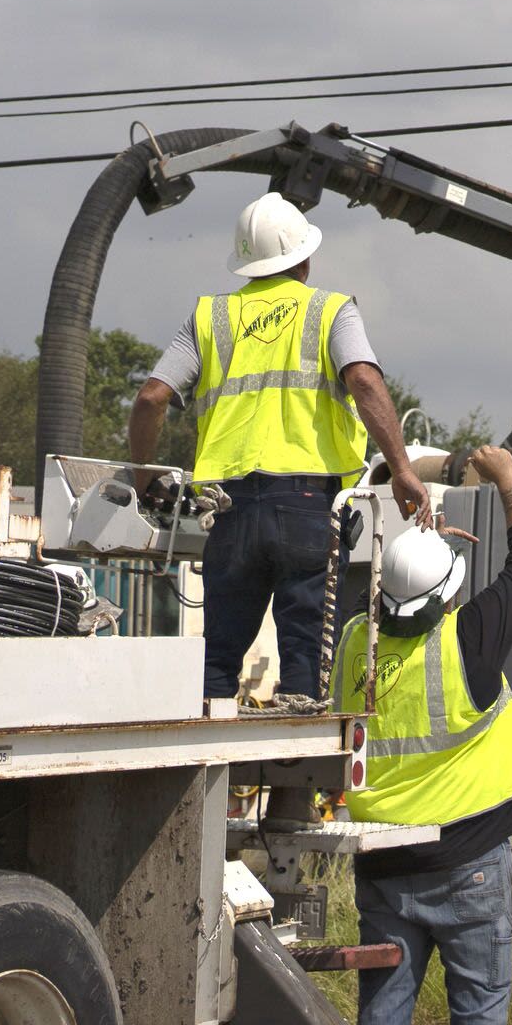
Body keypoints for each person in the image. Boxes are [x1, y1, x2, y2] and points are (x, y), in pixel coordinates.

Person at [128, 193, 428, 701]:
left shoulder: (209, 317)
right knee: (304, 653)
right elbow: (364, 380)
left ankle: (210, 765)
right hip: (309, 506)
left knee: (217, 656)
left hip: (229, 509)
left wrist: (143, 477)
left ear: (246, 262)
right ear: (305, 257)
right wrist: (400, 467)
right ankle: (296, 775)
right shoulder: (330, 310)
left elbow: (152, 396)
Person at [335, 444, 512, 1025]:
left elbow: (374, 591)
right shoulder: (470, 639)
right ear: (449, 594)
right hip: (469, 859)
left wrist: (413, 550)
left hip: (384, 865)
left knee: (385, 1007)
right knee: (479, 1003)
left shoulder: (356, 645)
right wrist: (510, 479)